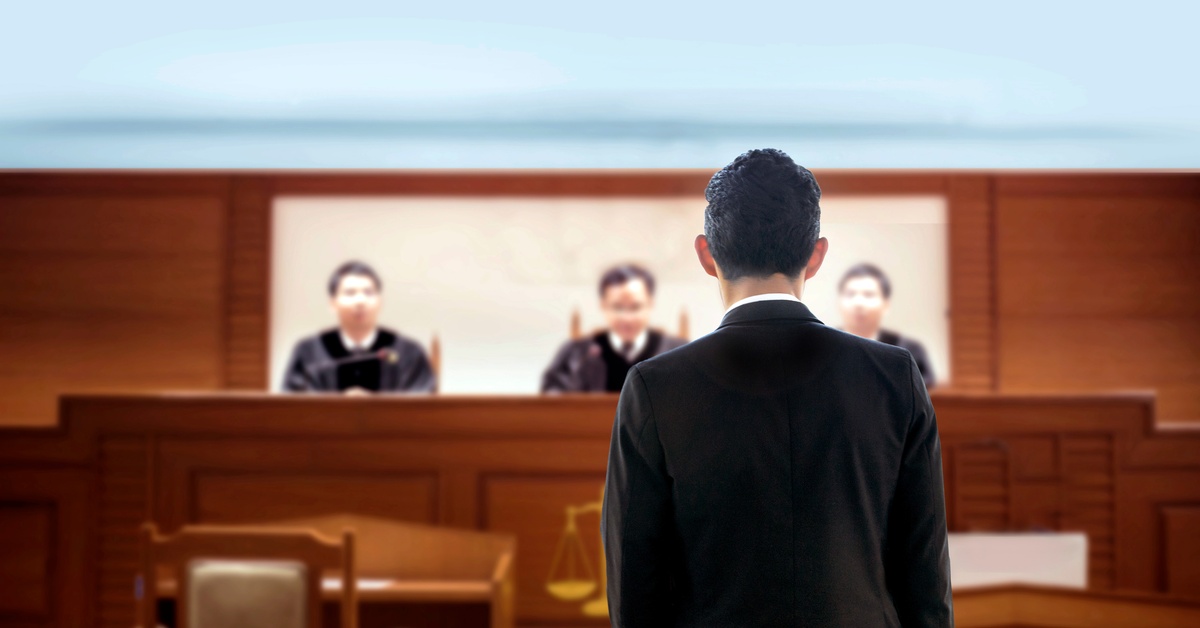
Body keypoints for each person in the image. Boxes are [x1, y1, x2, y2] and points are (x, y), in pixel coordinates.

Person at [602, 149, 952, 626]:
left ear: (706, 254)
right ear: (816, 255)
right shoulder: (894, 376)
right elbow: (925, 577)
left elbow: (634, 586)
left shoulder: (655, 388)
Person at [281, 261, 435, 394]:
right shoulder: (309, 352)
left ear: (380, 302)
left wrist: (373, 408)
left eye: (368, 292)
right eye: (350, 293)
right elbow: (294, 404)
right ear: (332, 303)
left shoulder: (406, 352)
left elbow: (422, 404)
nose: (360, 301)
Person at [541, 264, 686, 393]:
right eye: (617, 307)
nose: (627, 318)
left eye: (636, 307)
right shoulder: (575, 353)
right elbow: (552, 399)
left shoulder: (679, 352)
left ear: (650, 304)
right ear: (604, 306)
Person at [838, 262, 937, 387]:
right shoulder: (825, 346)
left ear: (886, 305)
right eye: (850, 294)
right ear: (839, 302)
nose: (858, 303)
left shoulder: (909, 350)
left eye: (868, 295)